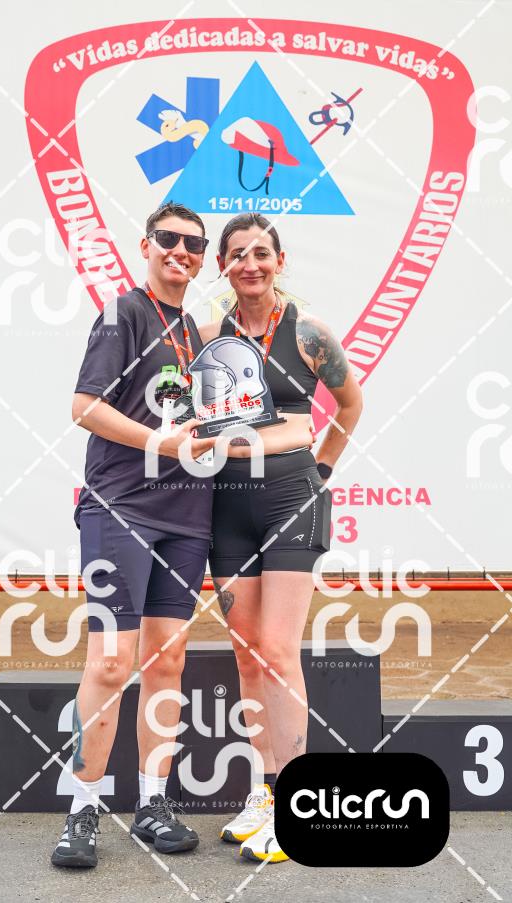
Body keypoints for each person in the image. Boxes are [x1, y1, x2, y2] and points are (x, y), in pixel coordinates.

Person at [52, 202, 216, 869]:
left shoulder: (195, 332)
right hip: (120, 508)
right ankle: (81, 809)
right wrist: (161, 443)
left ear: (202, 258)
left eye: (193, 244)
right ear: (146, 245)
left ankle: (153, 805)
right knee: (110, 664)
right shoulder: (123, 313)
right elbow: (84, 406)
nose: (181, 250)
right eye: (169, 239)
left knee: (167, 662)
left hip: (188, 517)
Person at [199, 212, 363, 863]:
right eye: (238, 254)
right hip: (227, 506)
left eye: (261, 253)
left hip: (292, 500)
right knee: (247, 657)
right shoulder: (209, 337)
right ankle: (263, 795)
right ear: (223, 265)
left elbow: (350, 405)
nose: (250, 264)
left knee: (276, 648)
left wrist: (321, 469)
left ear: (279, 260)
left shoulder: (309, 332)